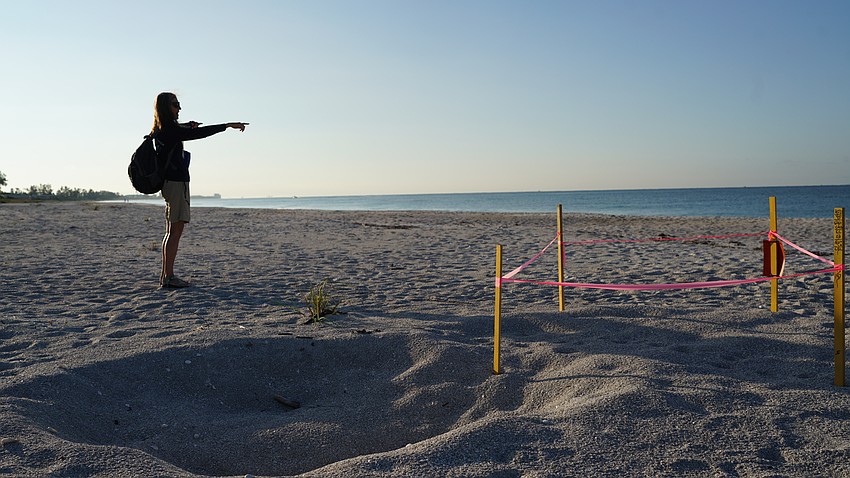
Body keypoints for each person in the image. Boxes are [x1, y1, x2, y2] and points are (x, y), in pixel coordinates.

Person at [151, 92, 248, 288]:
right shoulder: (170, 130)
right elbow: (198, 134)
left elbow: (183, 130)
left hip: (171, 184)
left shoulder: (162, 129)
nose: (179, 108)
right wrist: (227, 126)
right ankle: (168, 277)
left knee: (171, 231)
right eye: (175, 105)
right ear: (165, 107)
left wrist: (187, 125)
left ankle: (166, 276)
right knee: (175, 231)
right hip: (177, 184)